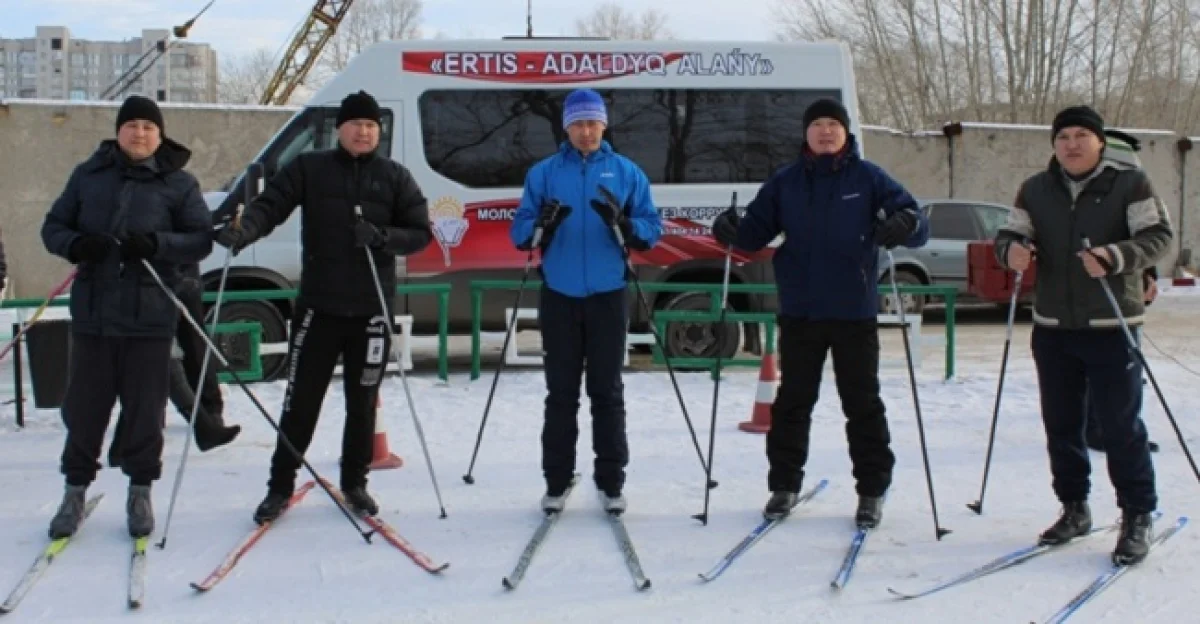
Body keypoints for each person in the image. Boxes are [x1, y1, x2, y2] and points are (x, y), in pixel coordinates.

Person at [710, 97, 930, 528]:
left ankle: (871, 491)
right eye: (817, 125)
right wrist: (728, 229)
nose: (826, 131)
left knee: (862, 404)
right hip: (801, 312)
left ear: (846, 132)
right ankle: (784, 486)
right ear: (805, 134)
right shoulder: (786, 182)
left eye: (834, 124)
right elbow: (752, 234)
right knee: (792, 403)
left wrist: (907, 224)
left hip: (854, 311)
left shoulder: (868, 178)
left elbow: (917, 222)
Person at [215, 90, 432, 524]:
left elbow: (420, 231)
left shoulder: (394, 176)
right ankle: (279, 487)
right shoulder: (310, 168)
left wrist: (383, 237)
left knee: (362, 401)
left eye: (371, 125)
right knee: (301, 402)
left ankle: (356, 483)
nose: (364, 131)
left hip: (371, 309)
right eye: (356, 124)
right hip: (320, 307)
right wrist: (245, 232)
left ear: (379, 131)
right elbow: (270, 206)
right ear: (340, 129)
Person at [995, 105, 1172, 565]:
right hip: (1054, 326)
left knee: (1120, 426)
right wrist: (1011, 251)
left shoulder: (1130, 183)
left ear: (1099, 141)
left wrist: (1116, 255)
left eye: (1081, 135)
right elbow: (1009, 234)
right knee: (1061, 425)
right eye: (1063, 137)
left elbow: (1157, 236)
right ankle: (1074, 507)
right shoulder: (1035, 189)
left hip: (1112, 324)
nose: (1071, 144)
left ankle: (1137, 514)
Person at [40, 95, 214, 539]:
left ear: (160, 135)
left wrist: (156, 244)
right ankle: (74, 491)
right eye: (132, 125)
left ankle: (140, 490)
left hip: (150, 317)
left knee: (144, 412)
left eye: (148, 127)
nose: (140, 133)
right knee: (84, 411)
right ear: (119, 131)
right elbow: (53, 228)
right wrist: (78, 245)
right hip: (95, 315)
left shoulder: (179, 184)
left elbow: (200, 241)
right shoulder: (88, 176)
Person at [509, 88, 662, 515]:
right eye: (578, 123)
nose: (586, 131)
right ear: (566, 127)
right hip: (558, 294)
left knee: (607, 391)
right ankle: (557, 480)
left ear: (604, 125)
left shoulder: (625, 171)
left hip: (608, 295)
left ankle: (611, 480)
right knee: (561, 393)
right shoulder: (544, 173)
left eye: (593, 122)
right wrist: (541, 225)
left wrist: (625, 224)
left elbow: (652, 227)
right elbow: (521, 231)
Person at [107, 259, 241, 469]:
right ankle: (201, 425)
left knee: (160, 354)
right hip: (135, 278)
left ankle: (125, 444)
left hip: (161, 272)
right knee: (156, 354)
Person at [1085, 267, 1159, 453]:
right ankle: (1096, 430)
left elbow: (1140, 240)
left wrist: (1148, 276)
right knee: (1100, 366)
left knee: (1128, 370)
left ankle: (1126, 433)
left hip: (1127, 289)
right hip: (1094, 294)